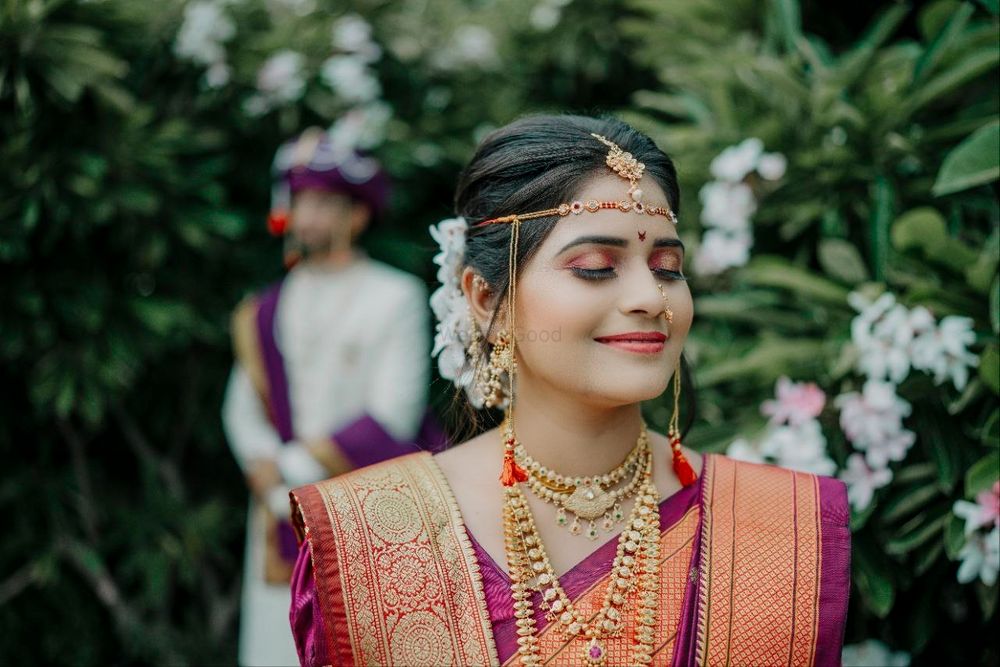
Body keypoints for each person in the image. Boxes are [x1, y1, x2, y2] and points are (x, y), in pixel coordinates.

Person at [288, 115, 851, 666]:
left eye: (667, 266)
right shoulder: (369, 536)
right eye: (595, 267)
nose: (651, 298)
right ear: (487, 301)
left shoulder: (781, 527)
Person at [221, 128, 443, 666]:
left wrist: (289, 467)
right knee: (277, 645)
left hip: (371, 503)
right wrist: (262, 467)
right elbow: (241, 407)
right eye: (301, 202)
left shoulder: (395, 296)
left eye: (324, 203)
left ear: (357, 216)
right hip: (279, 512)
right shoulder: (265, 308)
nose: (309, 216)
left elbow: (394, 411)